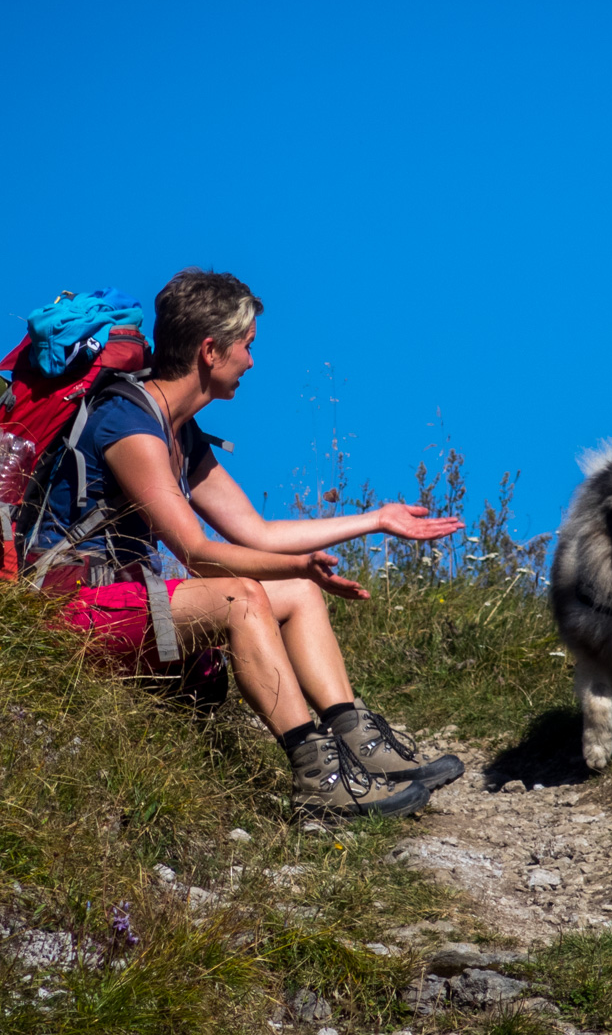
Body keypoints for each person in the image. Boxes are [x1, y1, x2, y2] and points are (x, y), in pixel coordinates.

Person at [24, 268, 464, 818]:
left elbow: (256, 532)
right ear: (211, 350)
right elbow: (194, 550)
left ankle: (362, 749)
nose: (252, 362)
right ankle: (316, 776)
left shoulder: (177, 430)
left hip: (127, 601)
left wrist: (375, 519)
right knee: (241, 598)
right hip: (72, 607)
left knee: (299, 592)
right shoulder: (128, 425)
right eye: (247, 346)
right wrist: (297, 561)